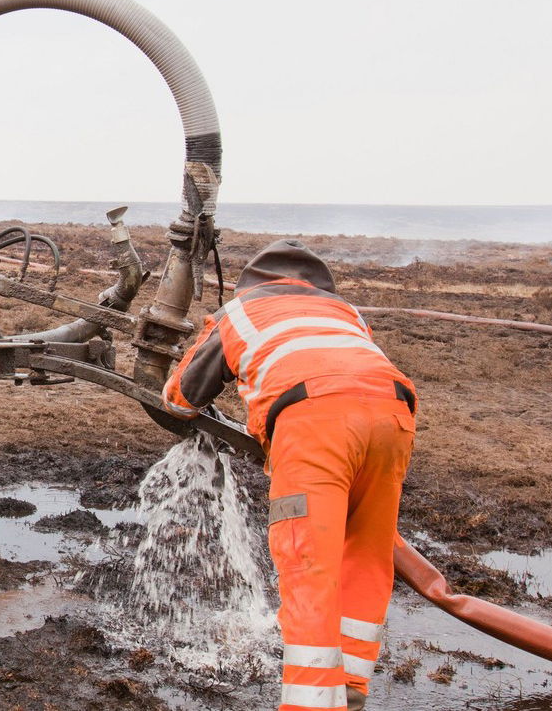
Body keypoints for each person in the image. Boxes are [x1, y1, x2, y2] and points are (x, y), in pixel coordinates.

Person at [161, 239, 417, 711]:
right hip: (394, 417)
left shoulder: (240, 313)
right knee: (367, 550)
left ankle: (311, 704)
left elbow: (182, 398)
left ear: (254, 281)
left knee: (306, 563)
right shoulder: (346, 312)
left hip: (315, 426)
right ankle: (353, 686)